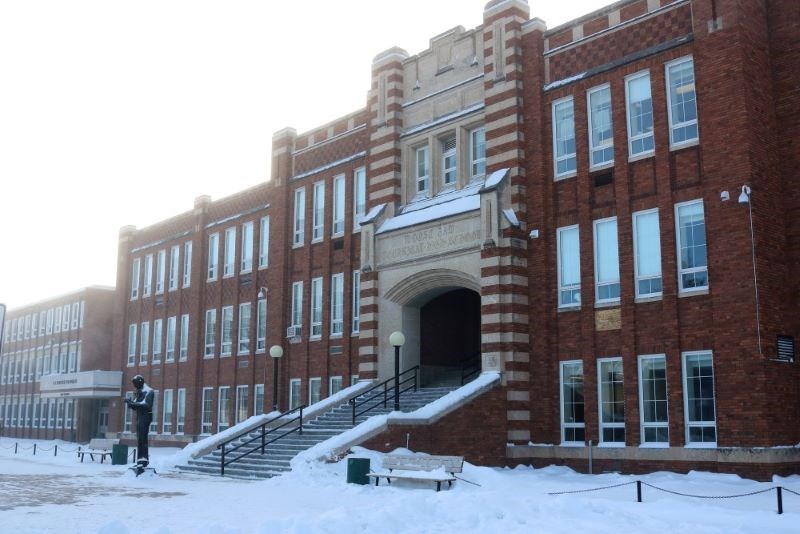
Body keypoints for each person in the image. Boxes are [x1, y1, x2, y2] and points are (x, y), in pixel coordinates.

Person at [125, 374, 154, 466]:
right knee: (139, 439)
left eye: (135, 384)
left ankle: (144, 459)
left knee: (143, 438)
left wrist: (134, 404)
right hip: (139, 416)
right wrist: (130, 402)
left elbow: (147, 405)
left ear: (140, 382)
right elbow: (136, 405)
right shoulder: (139, 391)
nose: (135, 386)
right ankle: (140, 459)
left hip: (145, 417)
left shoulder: (149, 391)